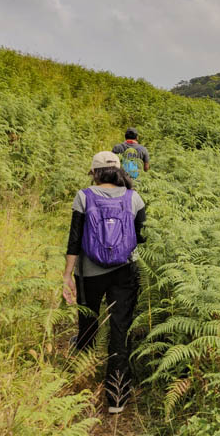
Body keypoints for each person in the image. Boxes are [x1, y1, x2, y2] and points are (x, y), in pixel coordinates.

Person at [62, 151, 147, 414]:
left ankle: (83, 382)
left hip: (89, 274)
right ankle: (116, 398)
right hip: (125, 272)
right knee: (119, 332)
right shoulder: (134, 198)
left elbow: (74, 240)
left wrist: (67, 276)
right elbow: (142, 237)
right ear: (118, 171)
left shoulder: (83, 197)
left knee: (88, 325)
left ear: (95, 173)